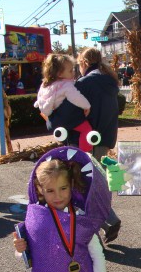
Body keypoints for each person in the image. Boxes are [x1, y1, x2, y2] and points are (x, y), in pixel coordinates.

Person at [49, 47, 121, 244]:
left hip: (84, 140)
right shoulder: (109, 80)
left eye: (77, 66)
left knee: (83, 185)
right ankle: (105, 223)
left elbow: (70, 114)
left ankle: (106, 222)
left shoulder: (84, 83)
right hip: (103, 139)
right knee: (94, 183)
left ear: (84, 63)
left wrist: (51, 119)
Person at [34, 54, 91, 125]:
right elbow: (76, 97)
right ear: (60, 74)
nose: (73, 72)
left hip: (50, 115)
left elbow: (40, 96)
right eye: (70, 71)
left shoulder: (46, 84)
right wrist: (87, 106)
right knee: (85, 128)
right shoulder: (66, 85)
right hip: (64, 119)